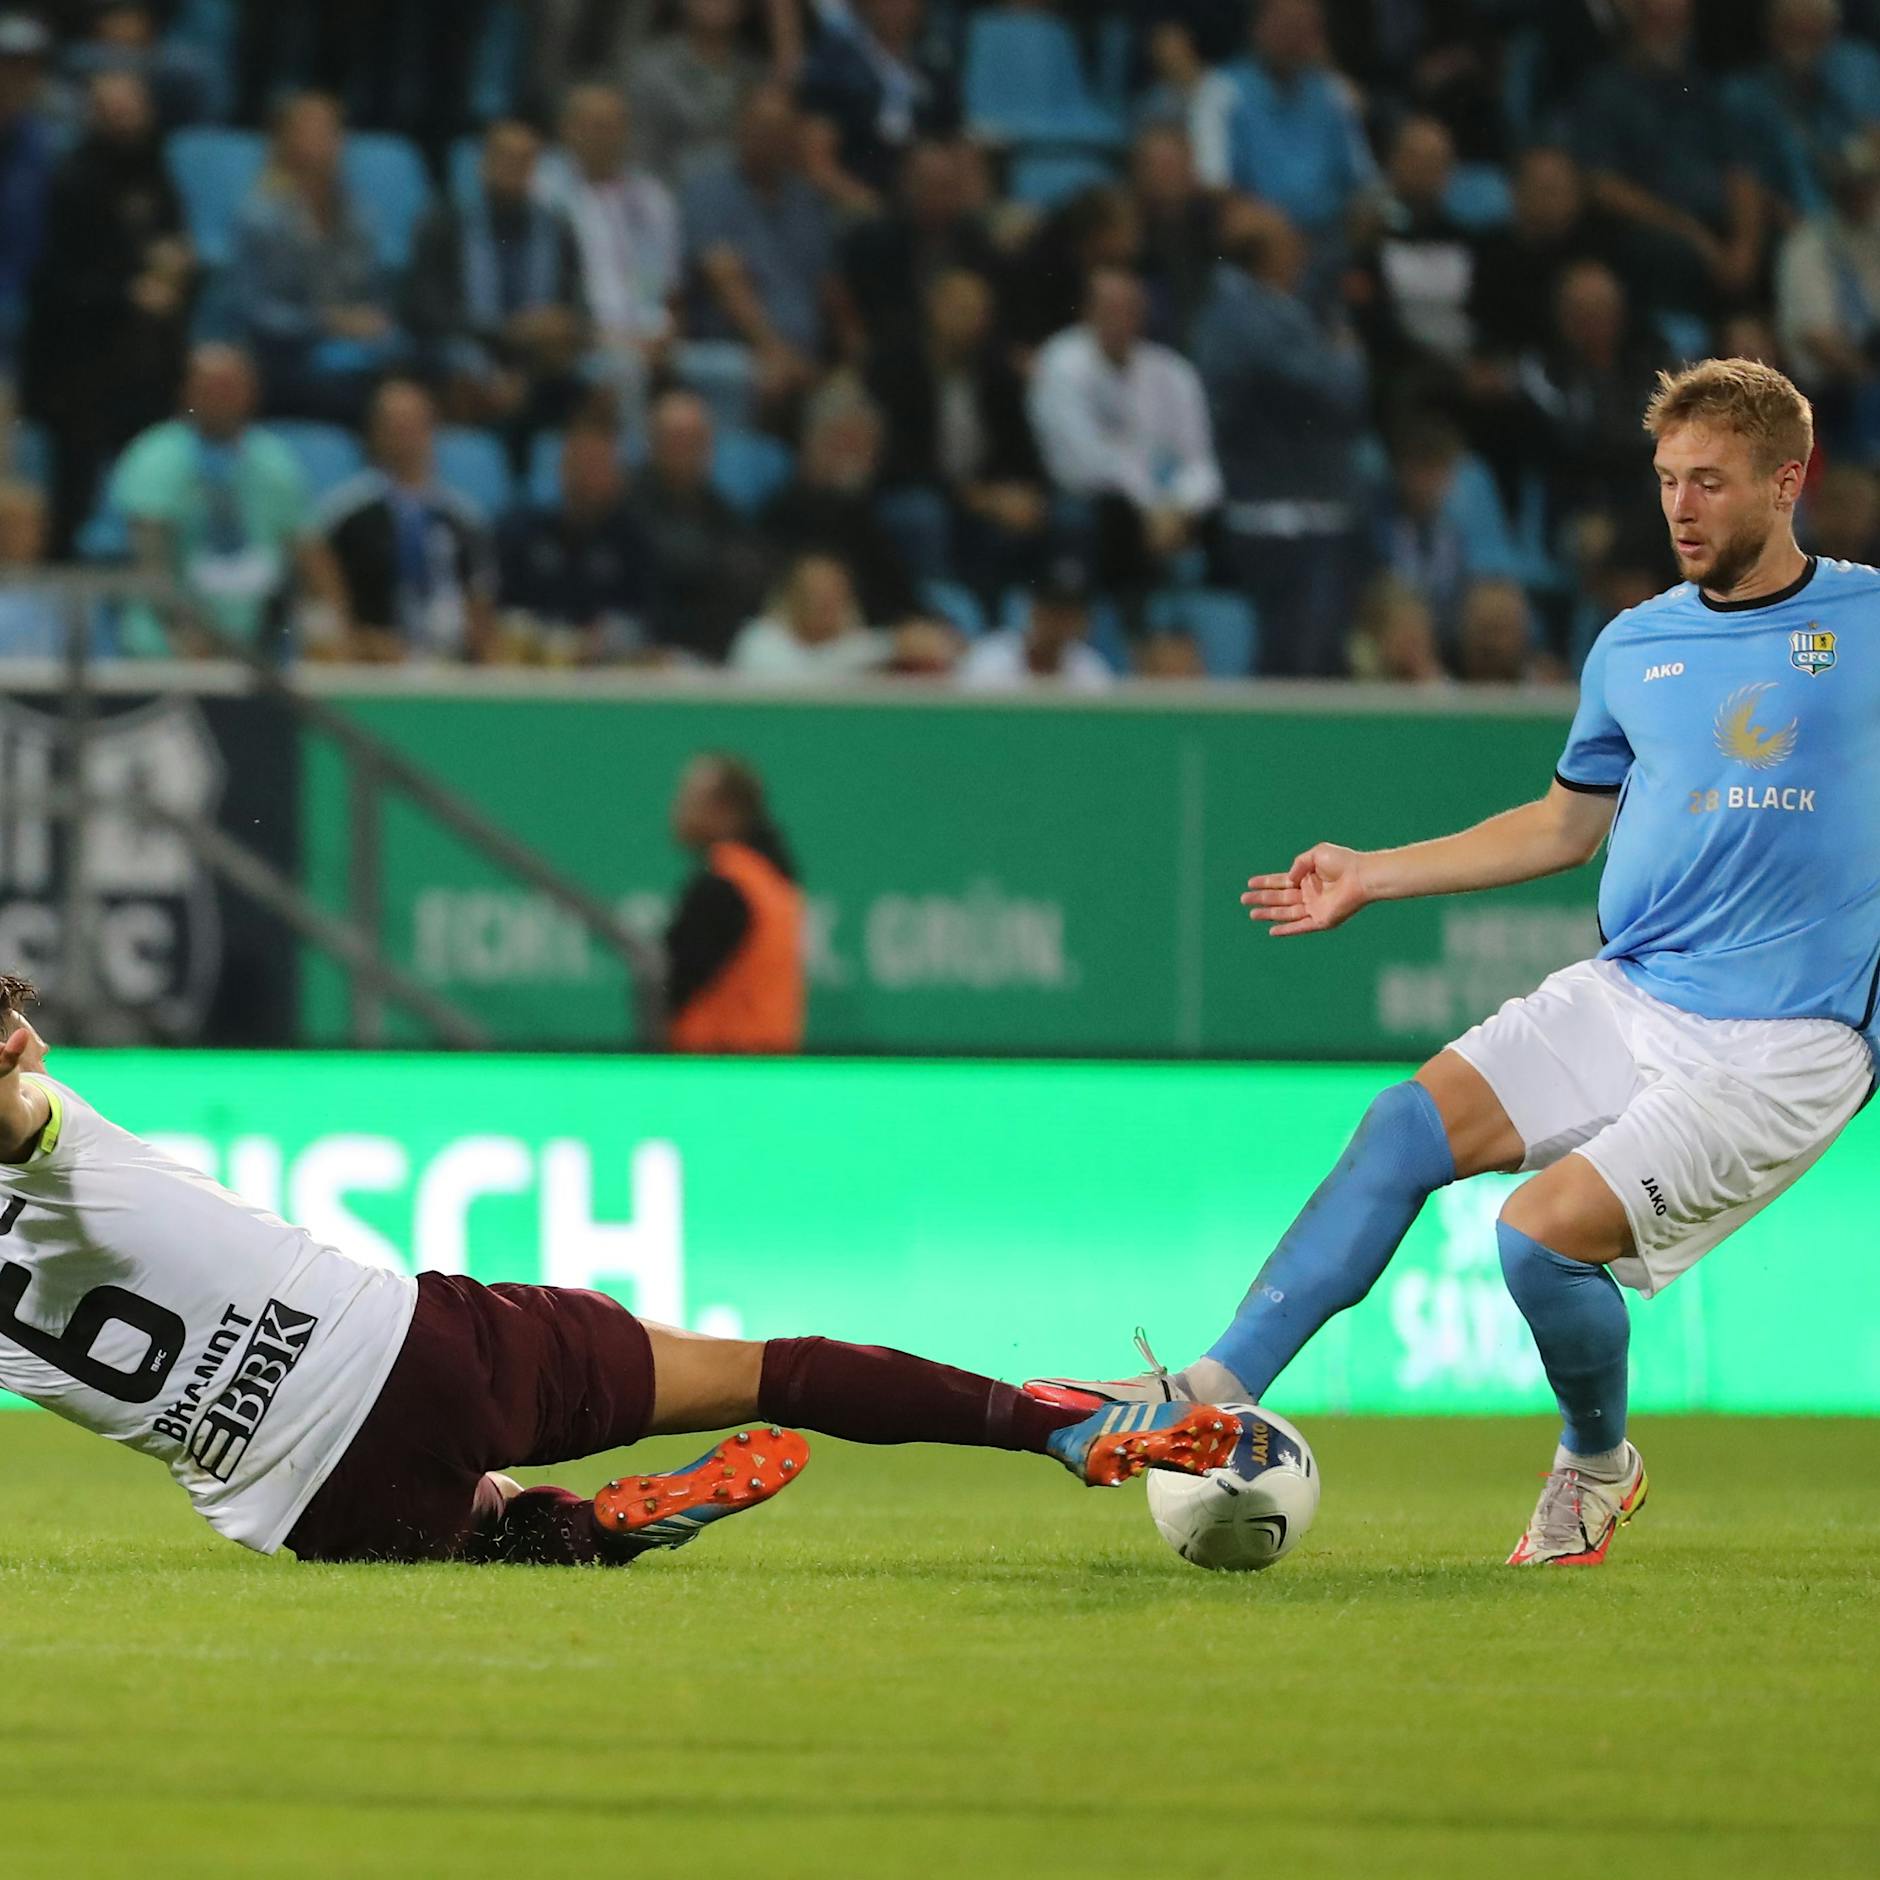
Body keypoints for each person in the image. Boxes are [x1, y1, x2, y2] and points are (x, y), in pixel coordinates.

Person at [1029, 358, 1880, 1569]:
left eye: (1709, 482)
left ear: (1789, 480)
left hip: (1782, 1042)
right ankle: (1205, 1390)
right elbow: (1560, 825)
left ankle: (1595, 1463)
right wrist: (1375, 871)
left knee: (1535, 1237)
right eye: (1664, 482)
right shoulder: (1635, 646)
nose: (1680, 508)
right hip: (1632, 985)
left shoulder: (1866, 622)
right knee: (1398, 1129)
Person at [0, 975, 1246, 1564]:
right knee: (779, 1370)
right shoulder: (45, 1127)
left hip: (300, 1511)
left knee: (467, 1526)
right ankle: (1053, 1426)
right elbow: (18, 1122)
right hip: (411, 1357)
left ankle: (569, 1526)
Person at [1193, 198, 1367, 677]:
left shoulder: (1252, 313)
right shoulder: (1251, 319)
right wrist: (1347, 352)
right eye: (1292, 244)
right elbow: (1341, 393)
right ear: (1269, 255)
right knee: (1296, 673)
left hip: (1288, 516)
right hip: (1285, 522)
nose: (1302, 255)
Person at [20, 69, 192, 552]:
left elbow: (172, 245)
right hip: (77, 368)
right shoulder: (70, 180)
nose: (124, 121)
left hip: (146, 366)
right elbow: (52, 281)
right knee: (70, 506)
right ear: (93, 116)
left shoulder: (158, 174)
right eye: (113, 111)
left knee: (151, 498)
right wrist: (126, 292)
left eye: (132, 109)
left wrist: (182, 267)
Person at [1028, 268, 1221, 619]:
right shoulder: (1061, 364)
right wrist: (1150, 508)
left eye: (1129, 309)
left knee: (1227, 521)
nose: (1120, 320)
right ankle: (1127, 628)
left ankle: (1194, 637)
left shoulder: (1173, 372)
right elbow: (1081, 464)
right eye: (1109, 310)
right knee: (1104, 518)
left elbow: (1200, 460)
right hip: (1090, 498)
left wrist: (1180, 507)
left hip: (1164, 507)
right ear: (1088, 312)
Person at [107, 345, 322, 660]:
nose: (221, 398)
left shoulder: (275, 460)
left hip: (255, 649)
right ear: (187, 393)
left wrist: (329, 624)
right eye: (209, 388)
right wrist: (188, 634)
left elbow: (309, 552)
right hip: (166, 647)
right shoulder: (155, 456)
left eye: (230, 388)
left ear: (252, 393)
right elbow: (151, 562)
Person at [232, 92, 398, 425]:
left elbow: (374, 299)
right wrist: (326, 323)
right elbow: (254, 311)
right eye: (310, 130)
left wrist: (374, 325)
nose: (323, 141)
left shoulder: (360, 217)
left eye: (331, 130)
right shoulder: (260, 216)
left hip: (351, 357)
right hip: (284, 357)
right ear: (285, 140)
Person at [308, 379, 498, 664]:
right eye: (394, 426)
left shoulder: (463, 517)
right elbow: (323, 602)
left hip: (452, 664)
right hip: (374, 664)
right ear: (375, 433)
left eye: (413, 425)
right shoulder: (343, 514)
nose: (405, 436)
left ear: (433, 430)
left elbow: (481, 600)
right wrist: (358, 642)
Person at [680, 82, 838, 417]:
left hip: (806, 356)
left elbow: (829, 289)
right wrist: (774, 351)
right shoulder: (708, 191)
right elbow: (726, 282)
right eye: (759, 126)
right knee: (764, 379)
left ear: (793, 136)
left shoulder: (807, 201)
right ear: (740, 127)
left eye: (779, 129)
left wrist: (850, 361)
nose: (767, 137)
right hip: (738, 349)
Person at [539, 85, 683, 407]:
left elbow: (664, 284)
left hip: (648, 336)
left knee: (727, 370)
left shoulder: (651, 198)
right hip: (581, 335)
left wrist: (663, 331)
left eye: (613, 126)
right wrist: (598, 335)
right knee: (625, 368)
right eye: (593, 126)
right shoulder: (545, 191)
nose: (604, 136)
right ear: (567, 130)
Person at [664, 753, 805, 1053]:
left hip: (718, 1069)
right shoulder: (772, 881)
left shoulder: (724, 888)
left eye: (691, 800)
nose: (678, 812)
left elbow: (673, 981)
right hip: (765, 1067)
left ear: (727, 810)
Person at [629, 388, 770, 662]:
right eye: (675, 439)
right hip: (640, 656)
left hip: (710, 657)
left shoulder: (725, 514)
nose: (685, 450)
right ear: (652, 442)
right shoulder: (622, 507)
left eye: (695, 441)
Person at [759, 387, 920, 626]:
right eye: (843, 443)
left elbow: (899, 597)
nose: (854, 459)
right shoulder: (783, 517)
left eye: (865, 447)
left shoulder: (864, 519)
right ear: (810, 444)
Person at [496, 424, 651, 663]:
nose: (588, 477)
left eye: (600, 467)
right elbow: (502, 609)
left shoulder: (634, 542)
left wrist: (606, 638)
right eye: (581, 465)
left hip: (609, 670)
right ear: (563, 470)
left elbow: (646, 618)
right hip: (533, 665)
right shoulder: (523, 533)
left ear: (619, 477)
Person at [796, 0, 958, 203]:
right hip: (854, 200)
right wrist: (865, 202)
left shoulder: (934, 67)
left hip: (924, 203)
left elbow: (956, 146)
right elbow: (816, 160)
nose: (897, 8)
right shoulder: (836, 66)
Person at [727, 551, 891, 680]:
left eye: (834, 597)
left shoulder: (857, 644)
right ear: (792, 597)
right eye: (815, 595)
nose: (825, 605)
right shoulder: (760, 641)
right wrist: (886, 647)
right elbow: (808, 685)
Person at [957, 561, 1114, 694]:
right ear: (1034, 611)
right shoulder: (989, 659)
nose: (1061, 623)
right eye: (1054, 612)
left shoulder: (1092, 669)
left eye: (1071, 615)